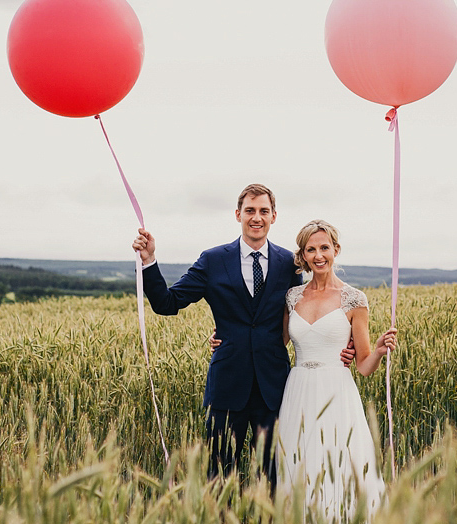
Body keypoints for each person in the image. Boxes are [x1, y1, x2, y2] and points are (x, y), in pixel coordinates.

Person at [132, 184, 353, 483]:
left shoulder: (290, 263)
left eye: (264, 211)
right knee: (219, 475)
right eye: (250, 210)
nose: (256, 217)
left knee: (273, 475)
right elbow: (167, 303)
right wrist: (149, 261)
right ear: (238, 214)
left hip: (274, 388)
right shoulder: (212, 260)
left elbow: (309, 308)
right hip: (227, 385)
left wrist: (342, 343)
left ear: (274, 216)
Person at [276, 219, 397, 524]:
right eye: (311, 249)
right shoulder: (291, 297)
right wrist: (223, 339)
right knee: (299, 466)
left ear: (336, 250)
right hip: (299, 390)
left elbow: (363, 365)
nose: (318, 255)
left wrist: (381, 349)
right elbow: (274, 345)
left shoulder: (354, 299)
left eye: (324, 247)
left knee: (339, 466)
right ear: (302, 255)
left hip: (336, 392)